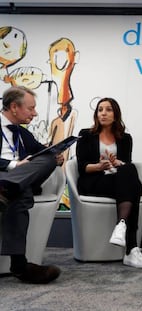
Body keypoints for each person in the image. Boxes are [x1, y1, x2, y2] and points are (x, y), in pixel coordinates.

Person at [76, 97, 142, 269]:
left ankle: (121, 226)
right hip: (94, 181)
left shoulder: (125, 138)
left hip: (117, 181)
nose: (103, 113)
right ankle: (131, 248)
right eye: (100, 110)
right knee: (134, 187)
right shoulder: (85, 135)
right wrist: (98, 166)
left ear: (116, 114)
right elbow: (81, 167)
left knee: (128, 169)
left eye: (108, 109)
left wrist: (118, 163)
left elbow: (126, 163)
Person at [0, 86, 63, 284]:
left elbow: (40, 151)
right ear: (14, 107)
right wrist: (13, 165)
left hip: (12, 182)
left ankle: (7, 189)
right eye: (31, 108)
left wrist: (55, 154)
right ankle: (20, 266)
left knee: (48, 159)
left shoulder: (22, 133)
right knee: (21, 194)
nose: (35, 113)